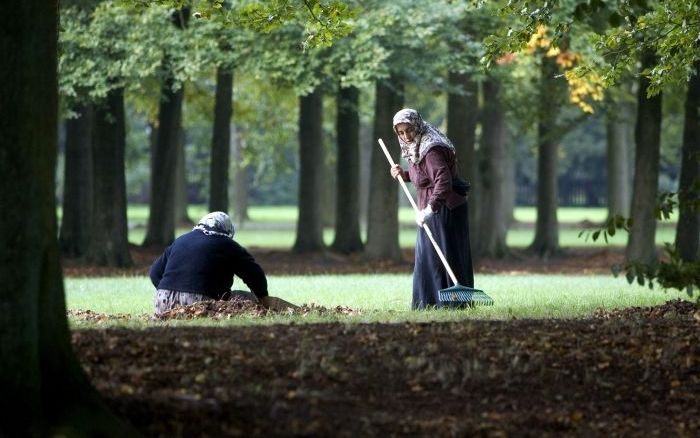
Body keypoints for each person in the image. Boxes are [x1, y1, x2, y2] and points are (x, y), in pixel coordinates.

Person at [389, 108, 474, 309]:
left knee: (444, 256)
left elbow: (442, 181)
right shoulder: (415, 145)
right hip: (432, 208)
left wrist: (430, 209)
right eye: (400, 132)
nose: (405, 136)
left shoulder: (431, 148)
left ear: (416, 125)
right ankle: (429, 303)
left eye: (409, 130)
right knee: (428, 257)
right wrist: (404, 174)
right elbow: (424, 175)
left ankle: (453, 304)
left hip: (445, 209)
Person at [150, 211, 275, 314]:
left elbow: (154, 273)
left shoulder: (181, 240)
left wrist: (172, 291)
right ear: (226, 230)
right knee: (245, 298)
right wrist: (262, 297)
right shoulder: (227, 245)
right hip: (200, 304)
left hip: (162, 304)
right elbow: (254, 274)